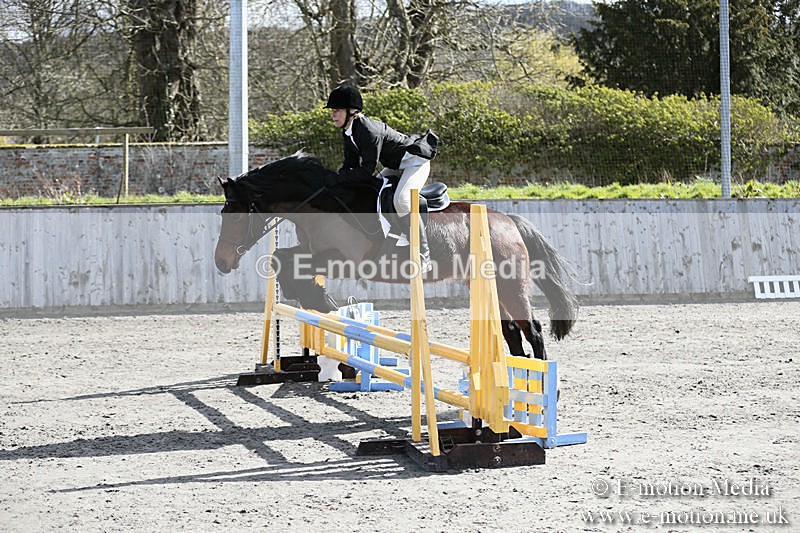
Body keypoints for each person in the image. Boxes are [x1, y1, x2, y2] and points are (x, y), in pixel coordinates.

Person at [323, 85, 437, 272]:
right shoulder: (348, 132)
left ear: (351, 111)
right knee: (373, 194)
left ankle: (423, 254)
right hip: (395, 165)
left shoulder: (367, 130)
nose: (333, 115)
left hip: (415, 163)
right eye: (333, 111)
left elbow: (366, 171)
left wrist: (340, 178)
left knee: (401, 201)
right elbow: (349, 165)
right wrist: (334, 179)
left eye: (337, 111)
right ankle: (392, 236)